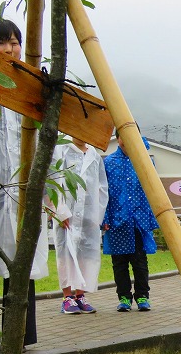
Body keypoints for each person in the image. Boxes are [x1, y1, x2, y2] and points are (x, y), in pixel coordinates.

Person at [0, 18, 48, 354]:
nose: (10, 48)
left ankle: (20, 337)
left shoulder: (28, 88)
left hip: (21, 193)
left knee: (22, 258)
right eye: (2, 41)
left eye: (15, 41)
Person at [50, 137, 109, 314]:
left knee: (86, 254)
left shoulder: (94, 155)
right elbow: (51, 181)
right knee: (65, 253)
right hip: (66, 214)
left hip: (88, 215)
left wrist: (97, 216)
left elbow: (102, 187)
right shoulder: (61, 149)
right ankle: (67, 297)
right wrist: (59, 210)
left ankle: (80, 295)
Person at [101, 129, 158, 312]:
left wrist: (150, 217)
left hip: (138, 220)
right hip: (117, 221)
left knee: (140, 261)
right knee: (119, 262)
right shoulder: (109, 162)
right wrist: (105, 218)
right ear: (117, 139)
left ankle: (142, 296)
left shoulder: (144, 161)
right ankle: (124, 297)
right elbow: (103, 193)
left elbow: (153, 191)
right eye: (122, 136)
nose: (126, 140)